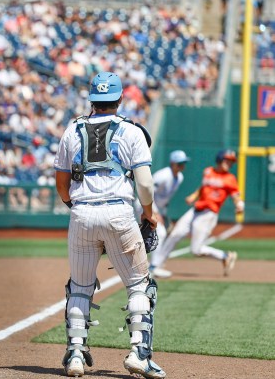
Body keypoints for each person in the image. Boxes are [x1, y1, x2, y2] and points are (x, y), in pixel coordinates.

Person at [54, 71, 166, 378]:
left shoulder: (72, 129)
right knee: (140, 284)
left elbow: (61, 184)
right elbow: (144, 184)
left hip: (82, 213)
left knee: (79, 286)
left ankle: (76, 354)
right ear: (119, 99)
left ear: (92, 99)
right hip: (118, 212)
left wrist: (75, 206)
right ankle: (139, 353)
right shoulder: (131, 132)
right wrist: (149, 212)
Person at [148, 149, 244, 279]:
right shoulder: (208, 171)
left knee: (196, 250)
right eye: (227, 160)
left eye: (231, 161)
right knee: (175, 234)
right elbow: (203, 187)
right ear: (220, 159)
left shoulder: (230, 179)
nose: (229, 163)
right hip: (195, 210)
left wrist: (239, 205)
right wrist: (194, 196)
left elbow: (236, 196)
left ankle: (225, 256)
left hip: (208, 214)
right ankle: (156, 266)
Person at [144, 150, 190, 278]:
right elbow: (147, 194)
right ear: (173, 163)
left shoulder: (179, 178)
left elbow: (165, 199)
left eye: (184, 163)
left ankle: (152, 266)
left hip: (157, 208)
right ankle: (153, 267)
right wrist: (155, 213)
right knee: (161, 233)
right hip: (145, 206)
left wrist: (163, 214)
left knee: (155, 234)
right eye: (180, 163)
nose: (182, 166)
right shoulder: (163, 175)